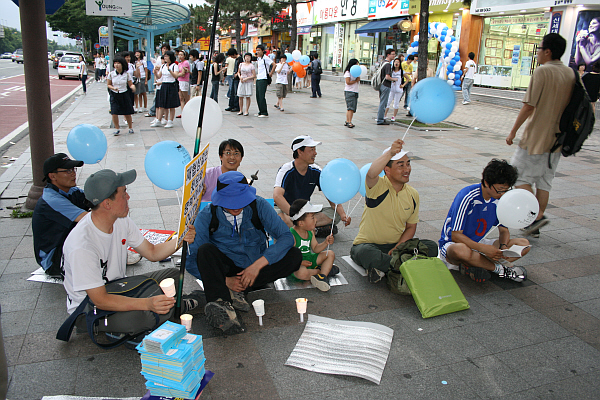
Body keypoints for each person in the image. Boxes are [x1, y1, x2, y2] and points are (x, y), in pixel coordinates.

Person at [61, 169, 203, 336]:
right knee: (144, 317)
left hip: (119, 287)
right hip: (89, 307)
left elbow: (152, 252)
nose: (128, 197)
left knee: (172, 276)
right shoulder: (82, 245)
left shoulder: (121, 220)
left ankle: (170, 306)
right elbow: (100, 299)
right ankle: (175, 306)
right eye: (124, 193)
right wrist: (147, 304)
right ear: (107, 203)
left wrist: (181, 238)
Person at [186, 171, 302, 332]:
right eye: (229, 203)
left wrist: (257, 266)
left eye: (239, 202)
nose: (235, 207)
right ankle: (223, 306)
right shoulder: (207, 215)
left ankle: (235, 291)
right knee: (205, 250)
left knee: (294, 256)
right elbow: (192, 260)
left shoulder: (259, 205)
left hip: (256, 268)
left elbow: (286, 237)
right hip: (227, 269)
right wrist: (226, 280)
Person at [506, 33, 576, 238]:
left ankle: (536, 217)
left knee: (518, 176)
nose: (537, 53)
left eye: (539, 49)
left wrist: (513, 131)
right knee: (545, 181)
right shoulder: (570, 73)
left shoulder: (542, 72)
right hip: (558, 139)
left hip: (536, 137)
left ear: (548, 51)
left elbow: (529, 105)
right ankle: (537, 219)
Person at [350, 140, 438, 283]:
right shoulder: (378, 186)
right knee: (366, 254)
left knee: (432, 247)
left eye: (408, 164)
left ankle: (390, 267)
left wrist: (398, 247)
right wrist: (390, 152)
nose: (407, 169)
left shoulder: (413, 194)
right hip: (368, 245)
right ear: (387, 169)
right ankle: (405, 266)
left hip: (397, 247)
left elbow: (411, 227)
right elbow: (371, 174)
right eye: (400, 165)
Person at [439, 159, 530, 283]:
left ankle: (477, 265)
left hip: (479, 244)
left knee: (523, 244)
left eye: (506, 190)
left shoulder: (499, 200)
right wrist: (483, 249)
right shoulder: (468, 196)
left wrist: (503, 247)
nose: (503, 194)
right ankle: (499, 269)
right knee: (461, 250)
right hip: (453, 246)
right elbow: (455, 236)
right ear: (487, 183)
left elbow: (503, 230)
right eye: (500, 190)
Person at [274, 135, 351, 235]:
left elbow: (331, 196)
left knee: (335, 214)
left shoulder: (316, 171)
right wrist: (295, 217)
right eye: (311, 149)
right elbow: (277, 196)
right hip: (287, 211)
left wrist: (343, 215)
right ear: (299, 152)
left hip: (304, 212)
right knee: (277, 217)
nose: (315, 153)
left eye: (315, 149)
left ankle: (301, 230)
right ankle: (311, 230)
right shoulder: (286, 170)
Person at [32, 153, 89, 276]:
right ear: (52, 176)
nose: (73, 173)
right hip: (54, 260)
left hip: (68, 246)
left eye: (73, 169)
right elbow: (88, 219)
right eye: (67, 171)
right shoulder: (52, 199)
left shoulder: (72, 191)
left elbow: (95, 200)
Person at [287, 199, 337, 292]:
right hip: (298, 264)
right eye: (313, 217)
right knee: (301, 273)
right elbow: (287, 256)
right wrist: (300, 262)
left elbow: (316, 249)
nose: (316, 220)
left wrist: (325, 242)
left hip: (310, 259)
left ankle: (321, 276)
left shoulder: (310, 232)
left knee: (330, 254)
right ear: (301, 223)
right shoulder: (292, 235)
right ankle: (323, 271)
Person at [107, 56, 135, 136]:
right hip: (114, 94)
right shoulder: (111, 74)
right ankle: (117, 128)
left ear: (122, 64)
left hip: (124, 94)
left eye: (118, 63)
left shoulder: (127, 74)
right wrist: (113, 88)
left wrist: (133, 87)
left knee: (127, 112)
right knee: (114, 112)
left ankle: (130, 127)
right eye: (115, 63)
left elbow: (130, 84)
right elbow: (109, 84)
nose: (117, 65)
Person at [151, 50, 180, 128]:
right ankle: (159, 120)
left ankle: (170, 121)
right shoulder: (163, 66)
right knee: (162, 104)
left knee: (171, 105)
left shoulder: (174, 66)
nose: (165, 58)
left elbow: (175, 76)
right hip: (164, 85)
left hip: (171, 85)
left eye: (167, 56)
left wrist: (169, 70)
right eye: (164, 56)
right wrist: (155, 73)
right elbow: (159, 76)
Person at [145, 43, 170, 118]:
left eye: (165, 49)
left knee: (161, 100)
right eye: (163, 49)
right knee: (157, 98)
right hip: (158, 81)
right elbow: (156, 70)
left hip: (164, 82)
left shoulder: (169, 62)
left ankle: (158, 114)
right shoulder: (159, 58)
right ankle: (157, 114)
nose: (164, 50)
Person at [376, 48, 397, 125]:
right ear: (388, 55)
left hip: (381, 85)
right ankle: (380, 119)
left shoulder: (383, 63)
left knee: (383, 102)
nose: (394, 56)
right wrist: (394, 79)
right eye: (393, 54)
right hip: (385, 85)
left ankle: (381, 118)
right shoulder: (388, 64)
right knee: (383, 103)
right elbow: (387, 77)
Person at [255, 45, 274, 117]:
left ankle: (264, 112)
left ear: (263, 51)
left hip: (264, 78)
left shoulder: (266, 58)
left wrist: (271, 73)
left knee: (261, 95)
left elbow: (274, 64)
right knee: (258, 96)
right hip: (258, 78)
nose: (257, 52)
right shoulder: (259, 59)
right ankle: (260, 110)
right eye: (257, 50)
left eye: (259, 50)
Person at [343, 58, 361, 128]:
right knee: (350, 108)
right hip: (349, 91)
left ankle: (347, 121)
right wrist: (356, 81)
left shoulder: (355, 72)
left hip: (355, 91)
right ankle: (349, 121)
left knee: (352, 108)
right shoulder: (348, 72)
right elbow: (348, 82)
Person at [177, 50, 191, 114]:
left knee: (186, 98)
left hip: (184, 81)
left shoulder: (185, 63)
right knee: (181, 98)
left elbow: (183, 73)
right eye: (179, 55)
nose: (180, 56)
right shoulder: (179, 64)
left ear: (185, 56)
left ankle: (187, 112)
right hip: (179, 81)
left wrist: (176, 75)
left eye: (181, 55)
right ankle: (183, 112)